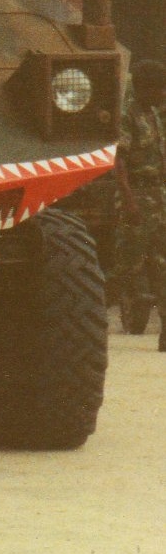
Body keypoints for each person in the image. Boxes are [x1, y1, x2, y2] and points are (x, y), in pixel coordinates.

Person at [112, 60, 166, 351]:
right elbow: (119, 161)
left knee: (162, 263)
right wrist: (129, 201)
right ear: (145, 88)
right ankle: (85, 312)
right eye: (160, 89)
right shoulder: (128, 116)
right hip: (137, 198)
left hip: (157, 197)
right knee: (127, 266)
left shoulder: (154, 115)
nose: (164, 94)